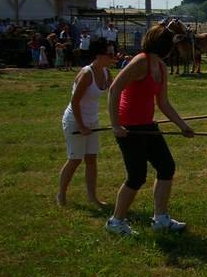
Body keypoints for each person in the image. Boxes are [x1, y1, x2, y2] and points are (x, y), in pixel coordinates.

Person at [106, 21, 194, 236]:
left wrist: (183, 126)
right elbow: (114, 89)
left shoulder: (161, 67)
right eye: (170, 44)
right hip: (129, 128)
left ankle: (161, 219)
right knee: (136, 177)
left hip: (148, 125)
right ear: (162, 45)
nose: (173, 48)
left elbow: (163, 103)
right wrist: (116, 125)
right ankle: (116, 222)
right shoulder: (140, 63)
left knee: (166, 167)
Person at [58, 38, 115, 206]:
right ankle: (61, 194)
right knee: (75, 159)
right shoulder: (86, 74)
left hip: (92, 120)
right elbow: (75, 102)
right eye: (109, 54)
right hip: (75, 121)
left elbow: (115, 95)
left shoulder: (106, 72)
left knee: (91, 159)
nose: (113, 57)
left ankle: (92, 197)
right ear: (98, 55)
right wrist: (82, 126)